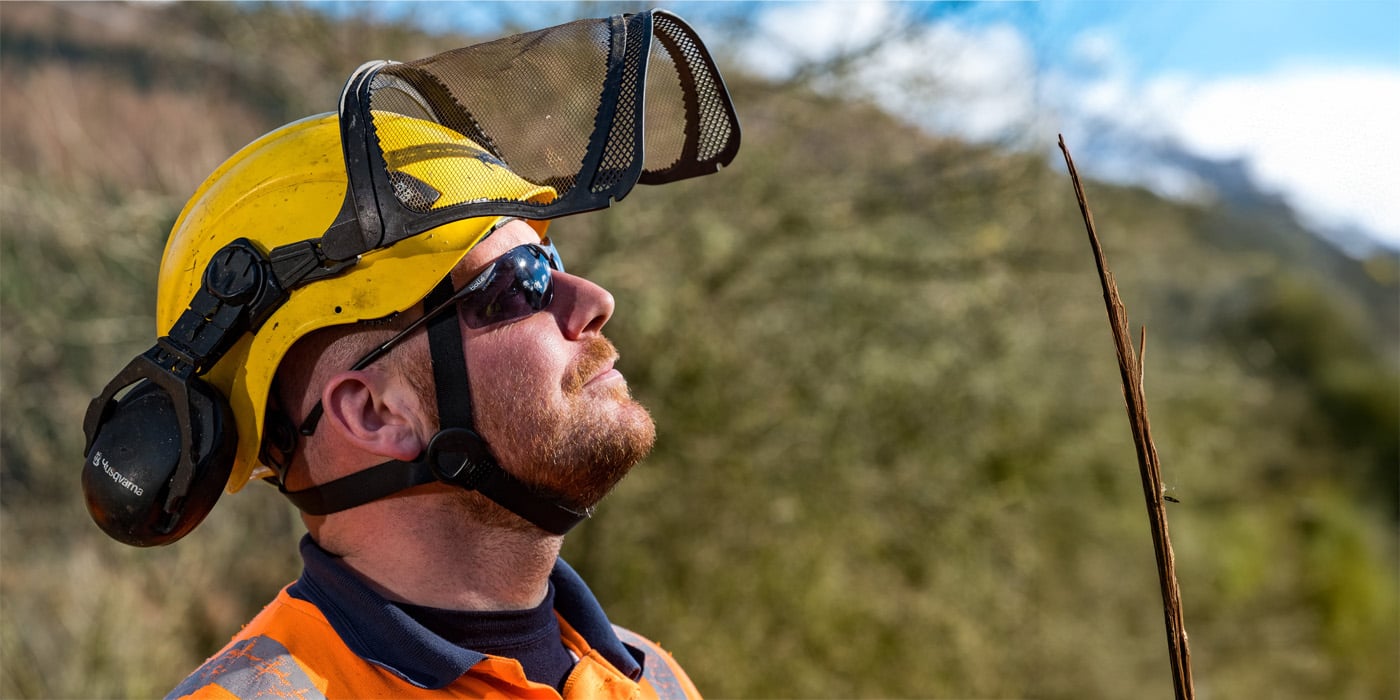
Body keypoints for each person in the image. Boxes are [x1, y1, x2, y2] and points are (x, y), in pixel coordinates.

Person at [79, 11, 739, 700]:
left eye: (552, 258)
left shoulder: (652, 678)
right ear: (373, 411)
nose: (593, 299)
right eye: (518, 285)